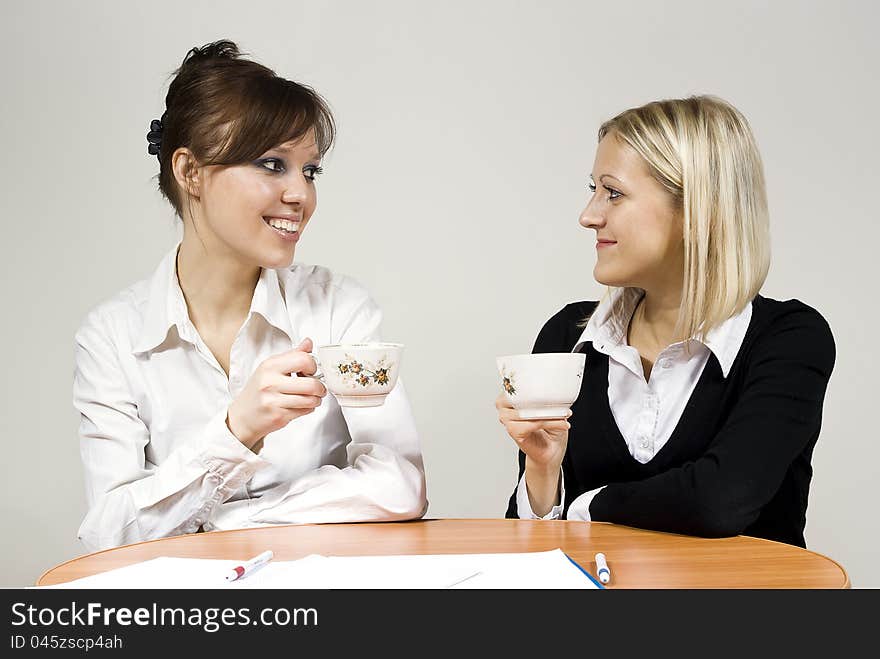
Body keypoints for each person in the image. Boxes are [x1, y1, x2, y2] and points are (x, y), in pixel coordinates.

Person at [73, 40, 427, 552]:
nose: (300, 194)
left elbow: (400, 485)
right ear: (189, 172)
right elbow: (106, 536)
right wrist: (237, 429)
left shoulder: (337, 310)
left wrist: (223, 520)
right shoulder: (112, 337)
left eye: (310, 170)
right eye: (271, 164)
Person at [498, 95, 834, 548]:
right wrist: (543, 471)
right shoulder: (568, 337)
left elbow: (721, 500)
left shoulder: (789, 340)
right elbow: (530, 551)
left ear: (696, 209)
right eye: (592, 189)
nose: (588, 215)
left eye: (613, 193)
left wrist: (587, 505)